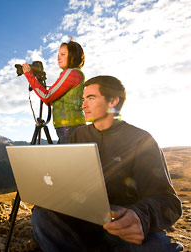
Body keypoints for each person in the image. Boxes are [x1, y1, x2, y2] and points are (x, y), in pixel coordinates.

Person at [31, 75, 183, 251]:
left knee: (155, 247)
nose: (83, 105)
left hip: (120, 224)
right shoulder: (78, 136)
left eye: (91, 98)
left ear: (113, 101)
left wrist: (140, 216)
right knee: (41, 215)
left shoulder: (141, 140)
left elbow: (169, 202)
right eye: (83, 99)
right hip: (83, 217)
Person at [22, 40, 86, 143]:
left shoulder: (71, 73)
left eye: (63, 54)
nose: (58, 58)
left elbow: (47, 97)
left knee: (67, 159)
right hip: (69, 126)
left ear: (73, 56)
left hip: (70, 127)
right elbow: (51, 100)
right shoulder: (75, 73)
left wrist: (29, 75)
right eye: (58, 54)